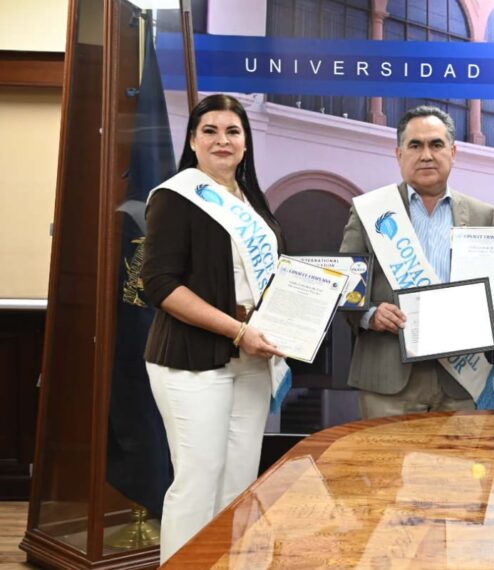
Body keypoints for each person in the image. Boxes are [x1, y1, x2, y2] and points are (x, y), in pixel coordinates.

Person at [141, 94, 288, 563]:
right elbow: (160, 285)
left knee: (238, 483)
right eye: (210, 130)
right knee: (198, 479)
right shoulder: (175, 196)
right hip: (190, 358)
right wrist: (237, 330)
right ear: (192, 140)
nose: (222, 140)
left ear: (246, 144)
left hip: (251, 359)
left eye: (232, 131)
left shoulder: (253, 204)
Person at [340, 106, 494, 418]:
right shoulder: (370, 211)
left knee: (459, 468)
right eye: (415, 145)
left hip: (459, 380)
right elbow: (344, 288)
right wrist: (370, 315)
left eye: (436, 144)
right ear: (399, 154)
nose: (426, 154)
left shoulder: (484, 216)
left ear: (453, 152)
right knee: (386, 468)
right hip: (388, 379)